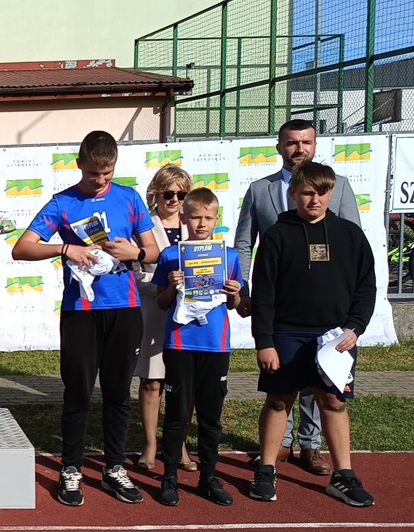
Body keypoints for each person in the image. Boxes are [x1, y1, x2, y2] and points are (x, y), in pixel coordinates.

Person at [11, 130, 159, 507]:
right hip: (81, 312)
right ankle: (71, 468)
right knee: (77, 393)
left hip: (124, 310)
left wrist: (134, 253)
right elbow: (21, 248)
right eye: (94, 173)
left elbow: (154, 251)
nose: (100, 180)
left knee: (117, 394)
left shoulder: (129, 198)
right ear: (79, 165)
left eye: (107, 173)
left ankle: (114, 467)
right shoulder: (63, 203)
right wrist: (66, 249)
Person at [234, 119, 361, 476]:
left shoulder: (340, 185)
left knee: (323, 381)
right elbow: (244, 242)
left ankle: (310, 443)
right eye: (292, 142)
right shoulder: (260, 190)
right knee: (283, 380)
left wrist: (351, 309)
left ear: (315, 146)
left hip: (325, 308)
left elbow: (351, 244)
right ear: (279, 147)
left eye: (306, 142)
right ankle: (279, 445)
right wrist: (243, 288)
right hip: (281, 303)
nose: (299, 149)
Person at [248, 162, 376, 508]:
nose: (314, 199)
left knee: (332, 401)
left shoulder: (350, 234)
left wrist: (355, 327)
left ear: (331, 193)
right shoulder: (277, 234)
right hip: (286, 334)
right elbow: (263, 293)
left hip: (336, 338)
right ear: (293, 193)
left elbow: (366, 287)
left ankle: (344, 475)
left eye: (322, 192)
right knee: (279, 400)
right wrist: (265, 342)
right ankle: (266, 471)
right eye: (307, 192)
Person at [151, 188, 243, 507]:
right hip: (180, 343)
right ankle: (169, 477)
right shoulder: (170, 255)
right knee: (177, 414)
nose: (201, 223)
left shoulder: (229, 256)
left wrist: (234, 293)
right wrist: (172, 285)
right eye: (195, 217)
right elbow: (162, 302)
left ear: (217, 219)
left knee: (210, 416)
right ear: (183, 217)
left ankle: (209, 477)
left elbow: (234, 304)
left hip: (215, 345)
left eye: (208, 217)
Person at [133, 165, 195, 472]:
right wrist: (164, 284)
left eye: (181, 195)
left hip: (190, 316)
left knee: (182, 383)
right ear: (155, 193)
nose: (174, 200)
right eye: (168, 193)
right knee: (152, 381)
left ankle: (178, 444)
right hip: (154, 311)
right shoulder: (142, 226)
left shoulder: (195, 225)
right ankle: (150, 445)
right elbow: (135, 274)